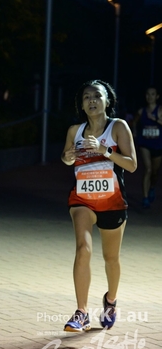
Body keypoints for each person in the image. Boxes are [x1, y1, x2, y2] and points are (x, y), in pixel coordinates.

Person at [60, 80, 137, 332]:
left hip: (112, 202)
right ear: (81, 105)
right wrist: (68, 157)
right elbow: (66, 159)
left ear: (107, 101)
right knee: (83, 249)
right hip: (82, 200)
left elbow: (131, 164)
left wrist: (105, 150)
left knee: (111, 258)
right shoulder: (75, 131)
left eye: (97, 96)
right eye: (86, 97)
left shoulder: (118, 127)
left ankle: (110, 301)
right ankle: (81, 313)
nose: (91, 100)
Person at [131, 86, 162, 208]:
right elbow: (134, 122)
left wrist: (155, 119)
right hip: (144, 144)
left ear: (157, 96)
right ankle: (145, 198)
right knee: (148, 169)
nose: (150, 96)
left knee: (155, 172)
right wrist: (134, 132)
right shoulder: (141, 111)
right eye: (148, 94)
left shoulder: (160, 110)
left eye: (153, 94)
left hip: (158, 145)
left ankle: (152, 187)